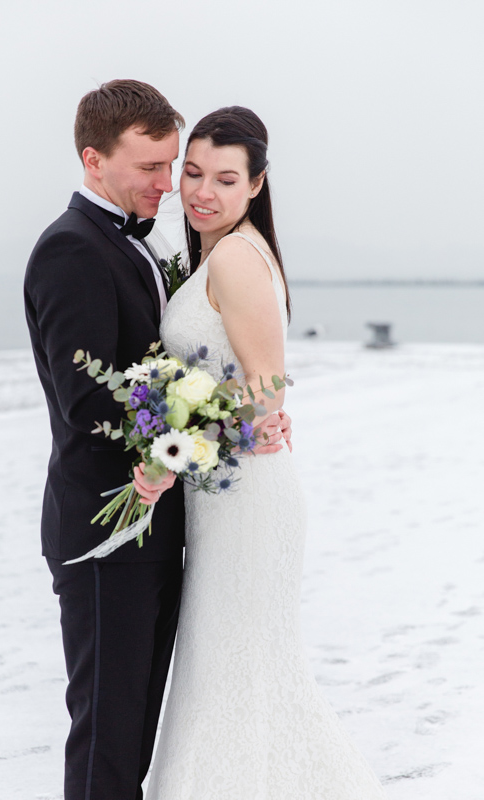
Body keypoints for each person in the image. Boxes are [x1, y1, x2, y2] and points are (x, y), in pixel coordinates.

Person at [24, 81, 288, 800]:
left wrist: (228, 409)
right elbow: (87, 401)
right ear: (92, 159)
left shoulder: (148, 245)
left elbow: (163, 365)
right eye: (150, 168)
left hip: (159, 522)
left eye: (172, 165)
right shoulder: (70, 251)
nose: (166, 185)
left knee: (133, 737)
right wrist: (202, 427)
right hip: (109, 527)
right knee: (107, 739)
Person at [141, 107, 389, 799]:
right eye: (191, 173)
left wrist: (175, 447)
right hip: (230, 494)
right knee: (237, 673)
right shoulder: (226, 250)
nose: (201, 192)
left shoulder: (234, 255)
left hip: (247, 500)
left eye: (224, 178)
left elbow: (266, 395)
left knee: (233, 672)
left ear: (256, 184)